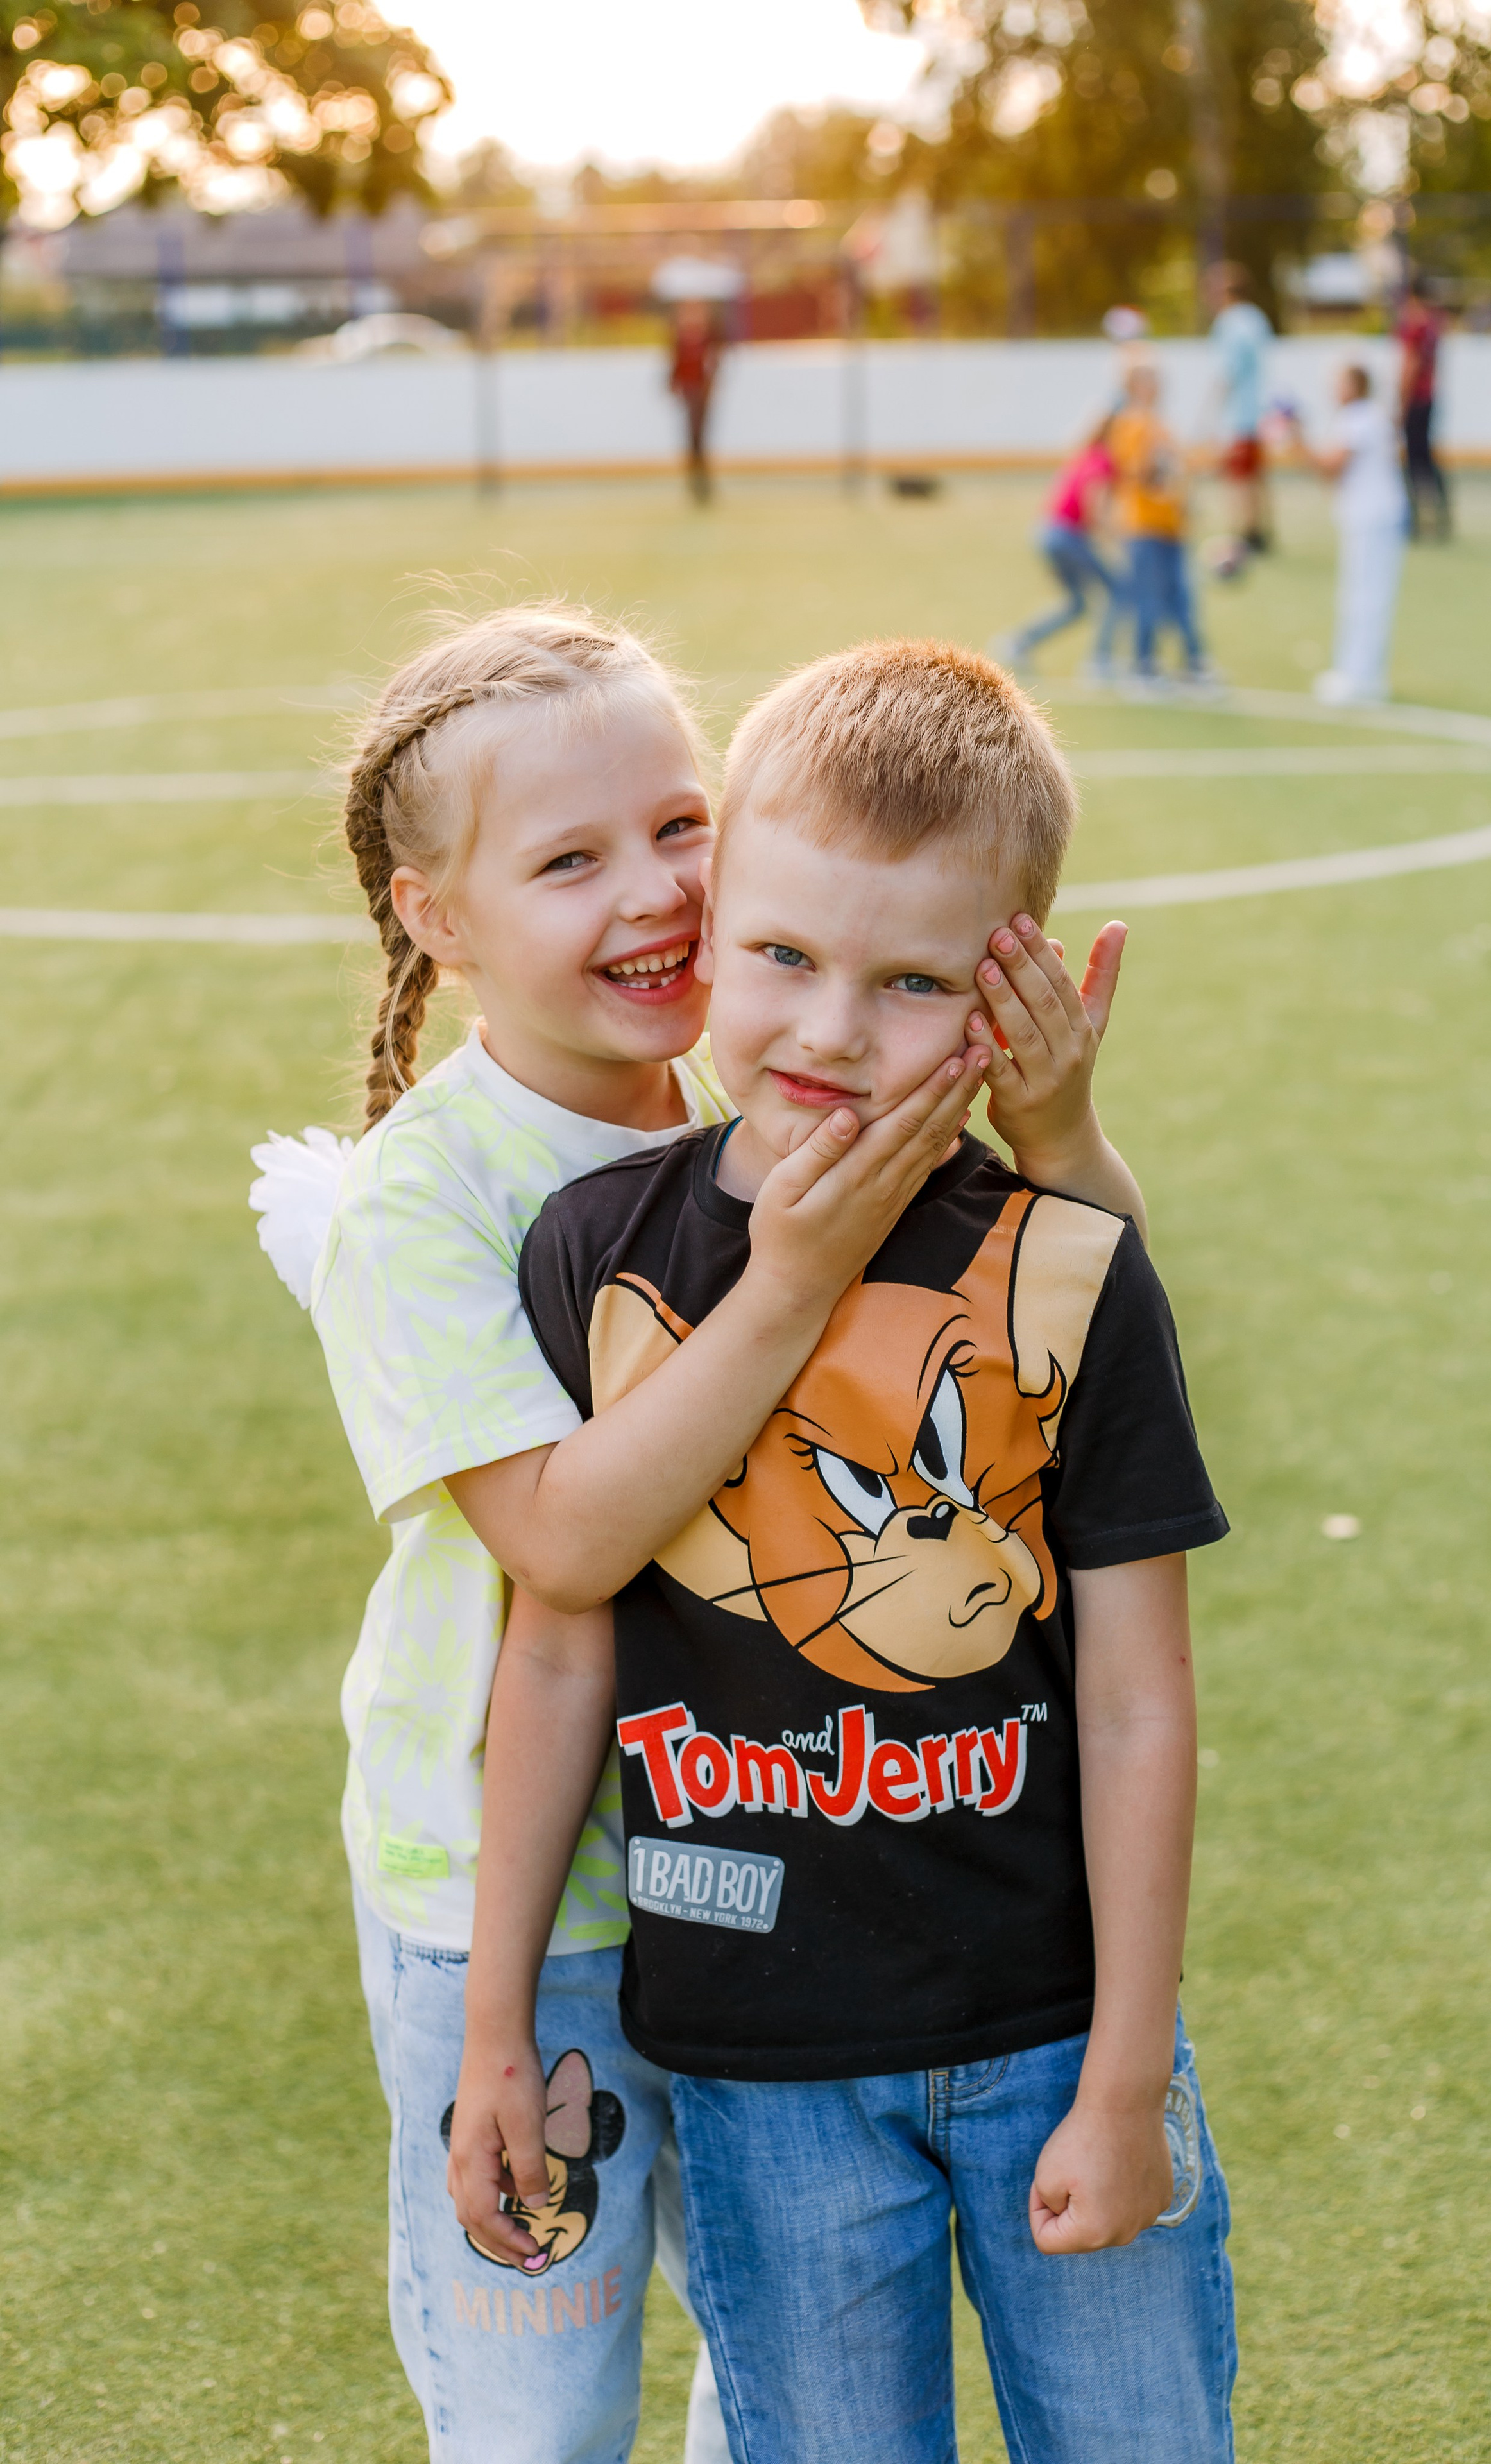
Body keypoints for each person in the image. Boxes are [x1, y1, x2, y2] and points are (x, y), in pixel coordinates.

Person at [249, 602, 1146, 2464]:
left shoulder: (774, 1085)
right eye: (569, 859)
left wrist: (1057, 1118)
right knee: (543, 2406)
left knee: (786, 2370)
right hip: (526, 1914)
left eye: (677, 825)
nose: (654, 892)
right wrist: (796, 1271)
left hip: (764, 1866)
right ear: (438, 917)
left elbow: (1079, 1332)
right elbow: (566, 1549)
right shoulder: (428, 1206)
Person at [460, 640, 1236, 2463]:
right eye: (785, 957)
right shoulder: (596, 1253)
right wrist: (499, 2022)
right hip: (757, 2070)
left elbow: (1135, 1697)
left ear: (1005, 995)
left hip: (1054, 2033)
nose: (825, 1031)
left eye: (908, 986)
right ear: (717, 915)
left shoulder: (1064, 1265)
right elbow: (561, 1641)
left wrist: (1129, 2074)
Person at [1285, 363, 1408, 706]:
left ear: (1355, 386)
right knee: (1365, 595)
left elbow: (1331, 468)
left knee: (1365, 598)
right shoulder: (1366, 416)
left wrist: (1297, 439)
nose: (1332, 390)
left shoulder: (1359, 417)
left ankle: (1361, 677)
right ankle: (1359, 673)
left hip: (1373, 519)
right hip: (1372, 518)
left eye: (1338, 383)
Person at [1108, 361, 1216, 690]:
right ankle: (1144, 667)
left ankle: (1195, 663)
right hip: (1144, 527)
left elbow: (1179, 472)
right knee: (1149, 599)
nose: (1156, 384)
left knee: (1182, 599)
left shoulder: (1160, 424)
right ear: (1133, 386)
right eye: (1148, 379)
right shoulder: (1130, 424)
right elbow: (1139, 474)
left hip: (1172, 527)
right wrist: (1156, 457)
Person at [997, 418, 1129, 680]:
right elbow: (1095, 507)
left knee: (1077, 604)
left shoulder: (1087, 455)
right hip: (1065, 535)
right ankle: (1100, 663)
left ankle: (1018, 643)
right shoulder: (1103, 460)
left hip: (1047, 533)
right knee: (1118, 591)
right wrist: (1119, 540)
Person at [1205, 260, 1274, 556]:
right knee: (1256, 475)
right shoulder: (1256, 318)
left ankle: (1245, 534)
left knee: (1238, 477)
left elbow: (1229, 373)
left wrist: (1211, 414)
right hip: (1259, 411)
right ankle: (1261, 532)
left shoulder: (1230, 322)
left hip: (1241, 416)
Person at [1397, 271, 1451, 542]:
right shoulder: (1434, 323)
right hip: (1429, 397)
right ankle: (1441, 515)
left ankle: (1415, 520)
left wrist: (1400, 404)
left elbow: (1410, 365)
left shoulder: (1414, 325)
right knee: (1427, 457)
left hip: (1416, 399)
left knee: (1413, 460)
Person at [669, 300, 722, 505]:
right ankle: (695, 477)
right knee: (692, 434)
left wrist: (711, 385)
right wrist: (674, 384)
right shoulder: (680, 338)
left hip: (701, 391)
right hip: (688, 391)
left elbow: (714, 362)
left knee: (700, 434)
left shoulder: (708, 337)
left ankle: (702, 477)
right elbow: (675, 362)